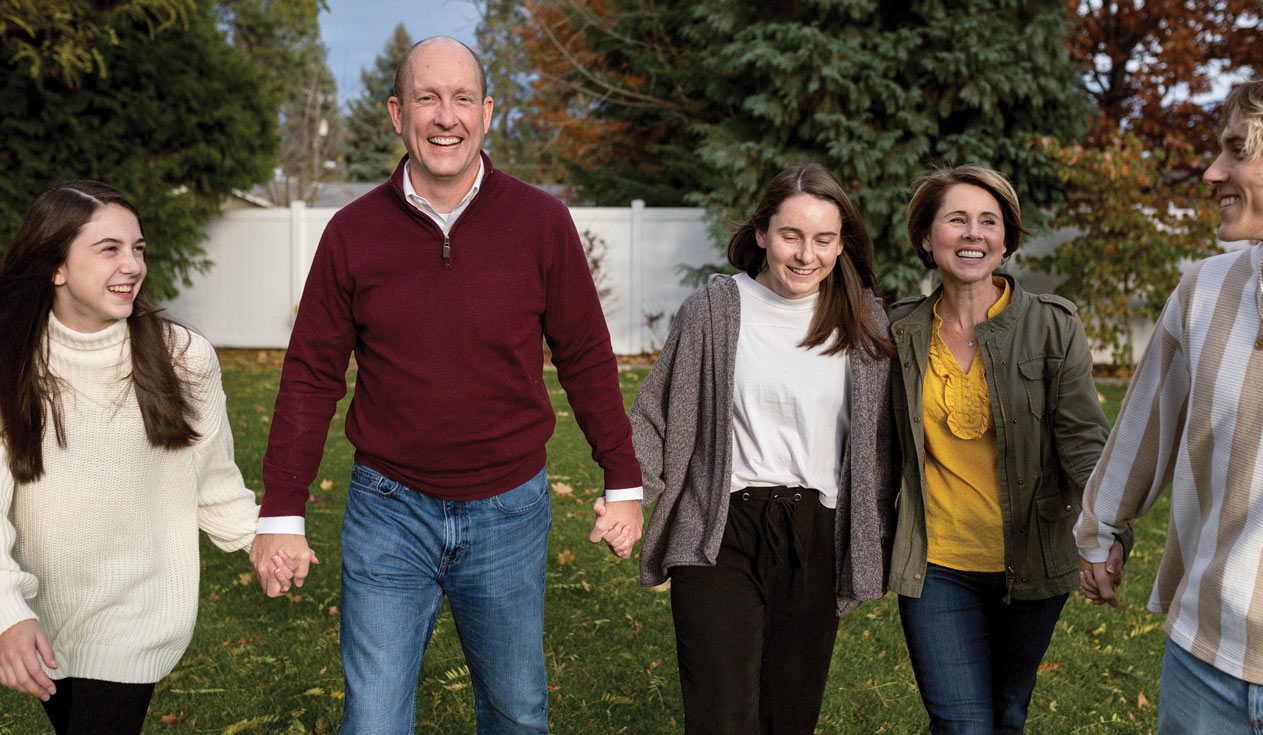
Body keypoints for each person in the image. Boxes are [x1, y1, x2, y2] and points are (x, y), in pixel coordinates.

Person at [248, 36, 643, 734]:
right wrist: (281, 509)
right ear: (397, 114)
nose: (445, 116)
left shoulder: (540, 223)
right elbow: (312, 372)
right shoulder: (351, 232)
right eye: (427, 98)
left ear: (487, 112)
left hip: (509, 511)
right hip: (387, 511)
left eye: (462, 98)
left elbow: (583, 353)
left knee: (516, 713)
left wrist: (623, 479)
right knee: (371, 721)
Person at [1075, 63, 1263, 734]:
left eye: (1236, 150)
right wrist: (1100, 530)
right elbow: (1144, 427)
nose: (1211, 172)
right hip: (1200, 659)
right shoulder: (1203, 290)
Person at [630, 162, 896, 735]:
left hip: (814, 535)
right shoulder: (713, 312)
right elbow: (655, 412)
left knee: (789, 717)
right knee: (722, 717)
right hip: (720, 530)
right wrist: (627, 494)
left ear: (841, 243)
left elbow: (881, 443)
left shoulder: (865, 324)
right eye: (790, 236)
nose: (806, 254)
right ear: (761, 234)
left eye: (824, 239)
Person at [0, 181, 266, 734]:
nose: (132, 265)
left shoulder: (182, 357)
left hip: (138, 613)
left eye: (138, 248)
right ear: (56, 268)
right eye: (109, 249)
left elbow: (213, 478)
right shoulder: (11, 366)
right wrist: (9, 614)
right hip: (46, 609)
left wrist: (258, 539)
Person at [886, 164, 1131, 734]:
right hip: (937, 562)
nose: (973, 234)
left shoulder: (1052, 326)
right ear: (927, 238)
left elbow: (1084, 441)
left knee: (1006, 712)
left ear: (1005, 240)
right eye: (956, 220)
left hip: (1034, 555)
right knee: (962, 724)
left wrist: (1107, 533)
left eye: (988, 222)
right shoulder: (899, 331)